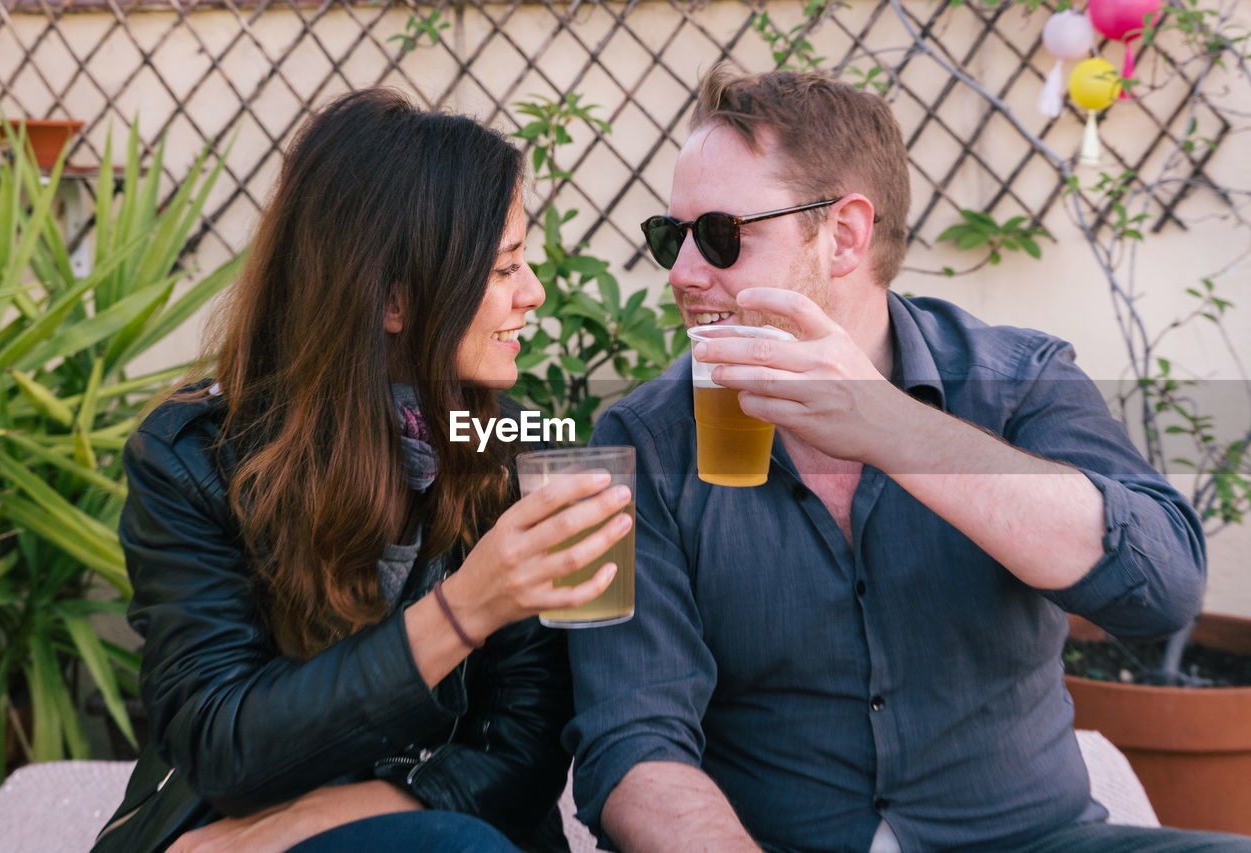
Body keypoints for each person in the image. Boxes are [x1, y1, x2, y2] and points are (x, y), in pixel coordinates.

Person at [563, 65, 1251, 853]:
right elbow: (632, 742)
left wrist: (896, 427)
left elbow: (1163, 586)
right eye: (669, 236)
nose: (684, 273)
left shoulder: (1017, 380)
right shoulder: (641, 438)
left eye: (720, 234)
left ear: (846, 234)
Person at [92, 87, 634, 853]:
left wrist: (329, 813)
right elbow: (220, 740)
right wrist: (464, 609)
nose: (533, 292)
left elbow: (521, 750)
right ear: (392, 301)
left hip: (441, 832)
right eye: (505, 266)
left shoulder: (507, 451)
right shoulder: (193, 460)